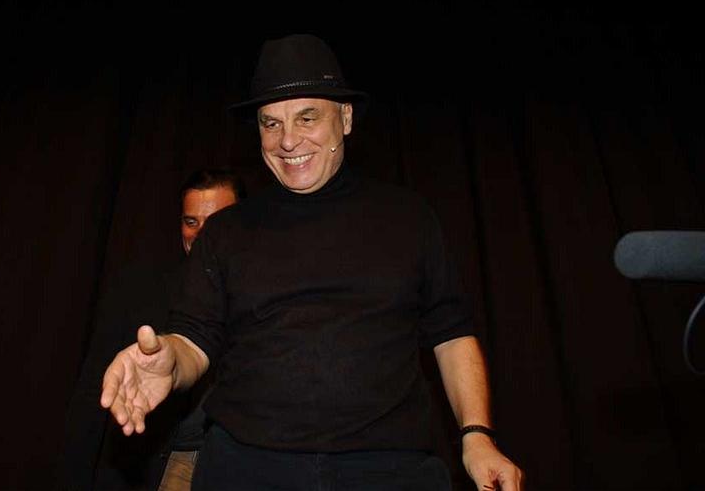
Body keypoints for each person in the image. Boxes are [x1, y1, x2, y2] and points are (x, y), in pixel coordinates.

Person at [101, 34, 524, 490]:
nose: (288, 141)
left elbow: (452, 335)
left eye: (307, 117)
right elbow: (194, 339)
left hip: (389, 470)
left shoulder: (409, 218)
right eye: (271, 123)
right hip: (247, 468)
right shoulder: (226, 231)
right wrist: (170, 361)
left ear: (345, 118)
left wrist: (477, 437)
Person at [57, 169, 245, 491]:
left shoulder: (265, 296)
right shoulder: (138, 290)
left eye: (216, 222)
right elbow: (93, 394)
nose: (202, 235)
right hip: (160, 466)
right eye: (191, 222)